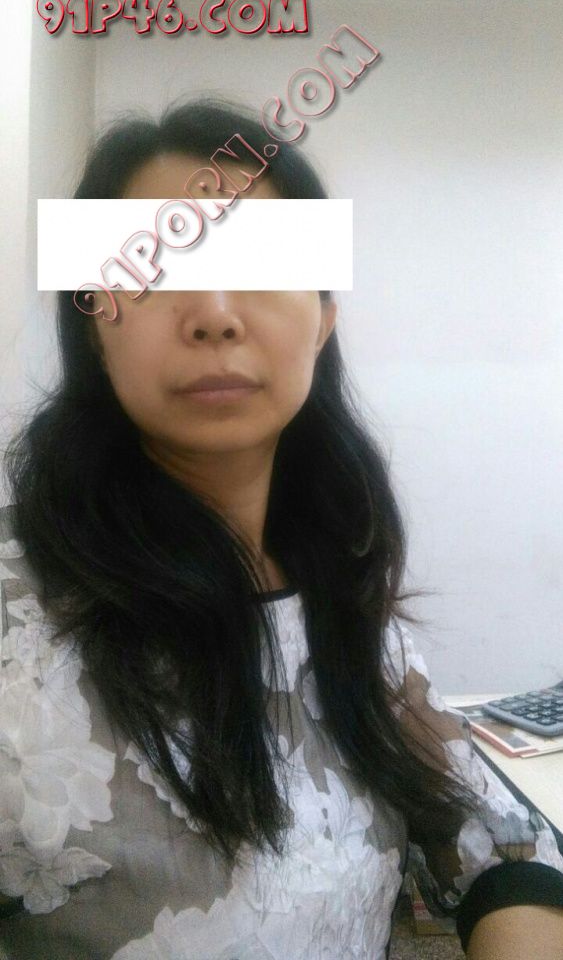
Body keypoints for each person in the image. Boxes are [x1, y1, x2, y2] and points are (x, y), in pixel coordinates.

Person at [1, 97, 562, 960]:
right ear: (92, 323)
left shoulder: (339, 584)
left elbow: (494, 839)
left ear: (322, 320)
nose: (214, 314)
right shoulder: (18, 614)